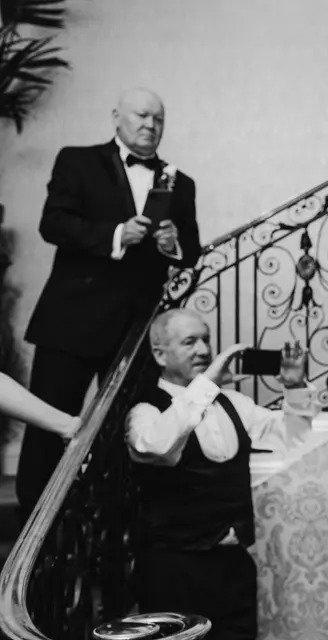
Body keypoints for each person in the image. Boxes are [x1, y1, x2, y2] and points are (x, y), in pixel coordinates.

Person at [17, 87, 202, 517]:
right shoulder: (77, 161)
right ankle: (33, 528)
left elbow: (190, 251)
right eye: (141, 115)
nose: (150, 125)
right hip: (71, 322)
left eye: (158, 118)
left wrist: (172, 244)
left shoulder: (180, 181)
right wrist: (117, 234)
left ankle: (115, 524)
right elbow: (53, 223)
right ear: (116, 116)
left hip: (138, 329)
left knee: (130, 425)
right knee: (48, 425)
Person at [125, 309, 317, 640]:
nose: (203, 350)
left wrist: (295, 385)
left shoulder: (234, 403)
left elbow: (294, 436)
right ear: (159, 354)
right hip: (172, 570)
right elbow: (156, 447)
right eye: (189, 342)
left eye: (206, 340)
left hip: (233, 568)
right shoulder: (146, 409)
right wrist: (205, 386)